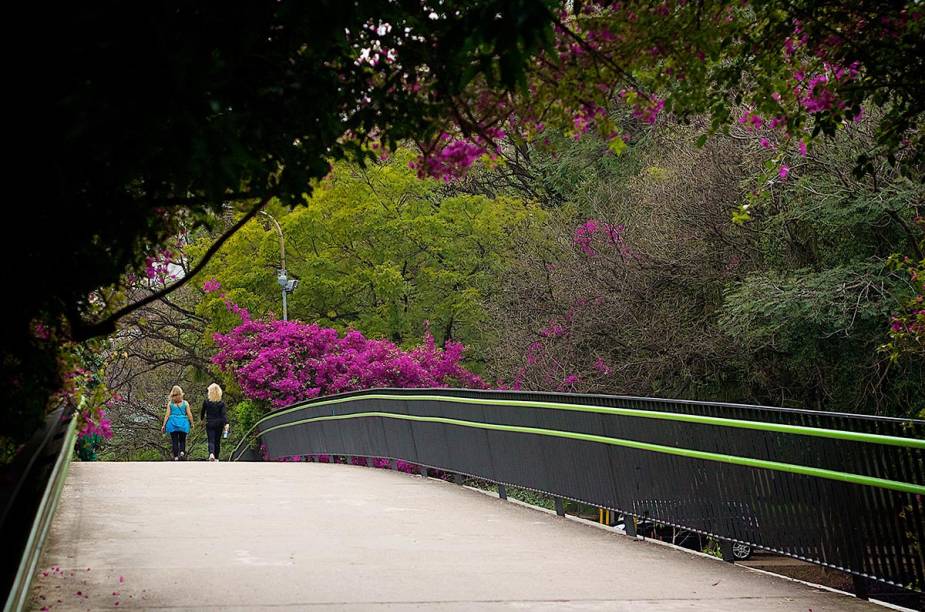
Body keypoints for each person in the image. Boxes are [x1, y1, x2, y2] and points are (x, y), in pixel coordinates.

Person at [161, 385, 193, 460]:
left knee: (174, 440)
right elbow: (189, 414)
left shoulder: (170, 403)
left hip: (172, 423)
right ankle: (182, 451)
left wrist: (164, 425)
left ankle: (175, 456)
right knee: (182, 439)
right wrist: (192, 423)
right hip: (183, 423)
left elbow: (167, 415)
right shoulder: (185, 403)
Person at [200, 383, 229, 461]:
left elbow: (202, 412)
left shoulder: (206, 402)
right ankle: (216, 457)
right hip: (219, 423)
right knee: (217, 440)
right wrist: (226, 423)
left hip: (210, 422)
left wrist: (202, 420)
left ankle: (211, 453)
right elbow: (223, 414)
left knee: (211, 439)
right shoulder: (221, 403)